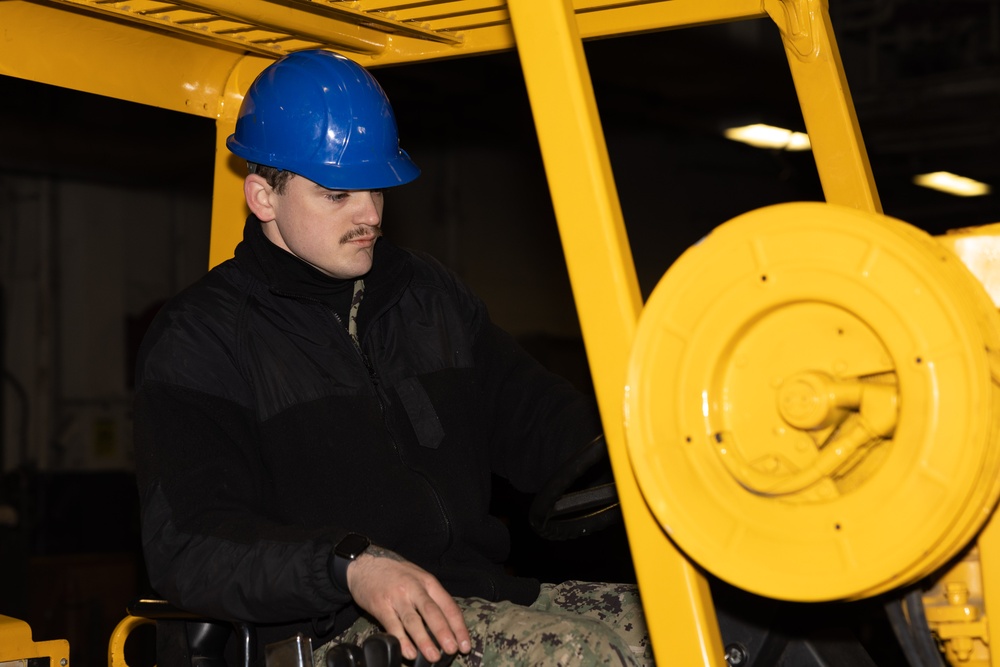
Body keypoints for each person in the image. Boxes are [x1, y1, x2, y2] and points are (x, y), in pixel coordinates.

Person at [133, 49, 652, 667]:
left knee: (706, 625)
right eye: (337, 193)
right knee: (588, 659)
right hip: (330, 626)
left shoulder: (426, 297)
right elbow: (189, 544)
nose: (371, 215)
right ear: (263, 198)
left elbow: (537, 419)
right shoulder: (203, 337)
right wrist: (348, 564)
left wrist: (653, 450)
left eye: (376, 186)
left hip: (473, 591)